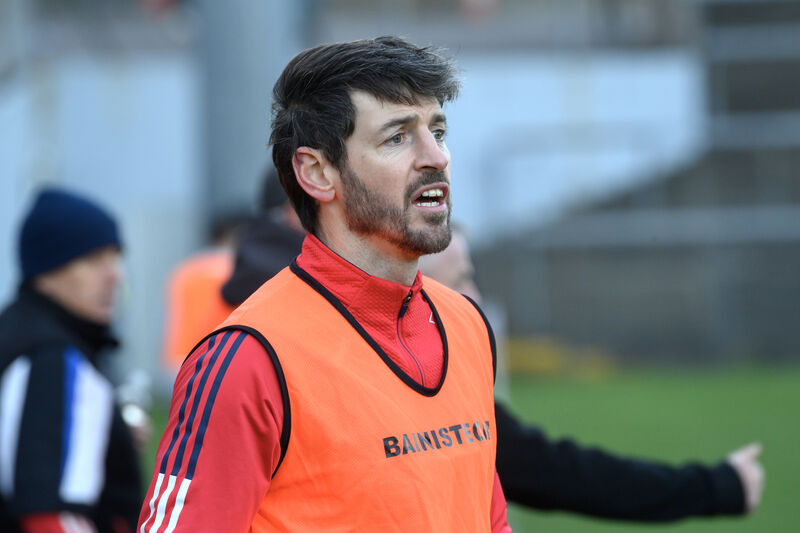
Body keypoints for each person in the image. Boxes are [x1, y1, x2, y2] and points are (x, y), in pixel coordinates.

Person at [139, 37, 511, 532]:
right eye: (397, 138)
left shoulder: (465, 323)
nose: (435, 157)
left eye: (437, 131)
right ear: (317, 173)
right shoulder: (246, 357)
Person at [419, 228, 765, 521]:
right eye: (460, 279)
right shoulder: (396, 406)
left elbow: (562, 471)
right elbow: (566, 474)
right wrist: (718, 486)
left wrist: (715, 486)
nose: (475, 296)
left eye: (471, 276)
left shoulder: (461, 400)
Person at [0, 188, 142, 533]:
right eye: (94, 259)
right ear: (45, 272)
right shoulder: (55, 357)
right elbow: (50, 515)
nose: (114, 275)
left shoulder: (19, 332)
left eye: (115, 257)